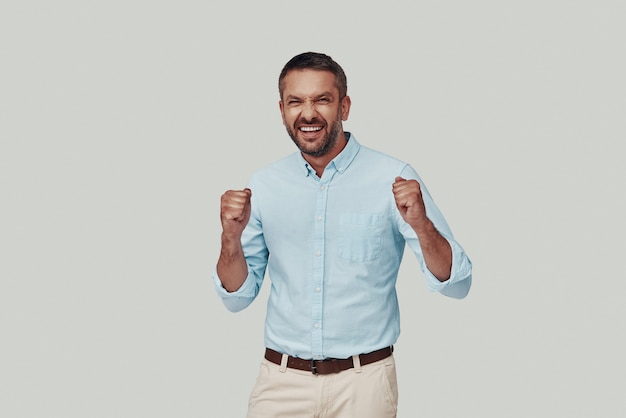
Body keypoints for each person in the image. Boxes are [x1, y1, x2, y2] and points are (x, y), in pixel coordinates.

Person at [213, 51, 472, 418]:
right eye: (295, 102)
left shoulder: (392, 178)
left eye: (322, 100)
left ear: (344, 106)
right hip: (281, 383)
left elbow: (457, 284)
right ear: (282, 109)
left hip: (363, 384)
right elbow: (236, 299)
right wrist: (230, 238)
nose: (308, 113)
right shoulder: (264, 185)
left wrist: (421, 224)